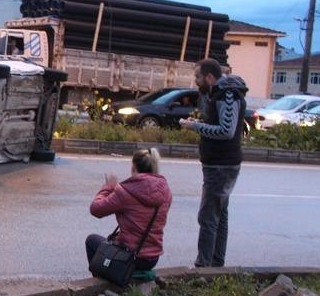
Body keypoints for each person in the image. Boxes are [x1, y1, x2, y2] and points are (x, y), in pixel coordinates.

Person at [179, 58, 247, 267]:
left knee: (208, 216)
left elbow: (226, 131)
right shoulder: (219, 93)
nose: (196, 81)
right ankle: (216, 265)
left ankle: (204, 268)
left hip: (221, 164)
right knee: (219, 214)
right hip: (219, 163)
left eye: (198, 77)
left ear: (209, 77)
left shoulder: (227, 94)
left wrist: (195, 127)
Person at [86, 148, 172, 271]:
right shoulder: (166, 192)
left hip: (130, 258)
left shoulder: (125, 191)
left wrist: (108, 187)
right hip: (153, 258)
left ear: (133, 168)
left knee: (92, 241)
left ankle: (104, 281)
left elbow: (95, 209)